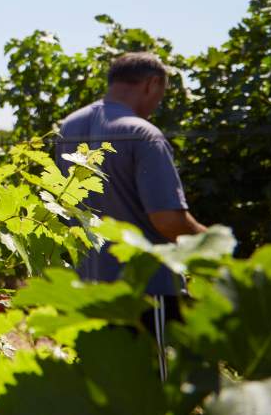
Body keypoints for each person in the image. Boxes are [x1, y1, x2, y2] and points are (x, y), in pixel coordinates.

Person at [54, 51, 206, 378]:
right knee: (155, 397)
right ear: (152, 84)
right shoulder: (143, 133)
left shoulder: (69, 128)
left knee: (108, 396)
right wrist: (211, 243)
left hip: (89, 289)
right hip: (147, 293)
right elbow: (167, 220)